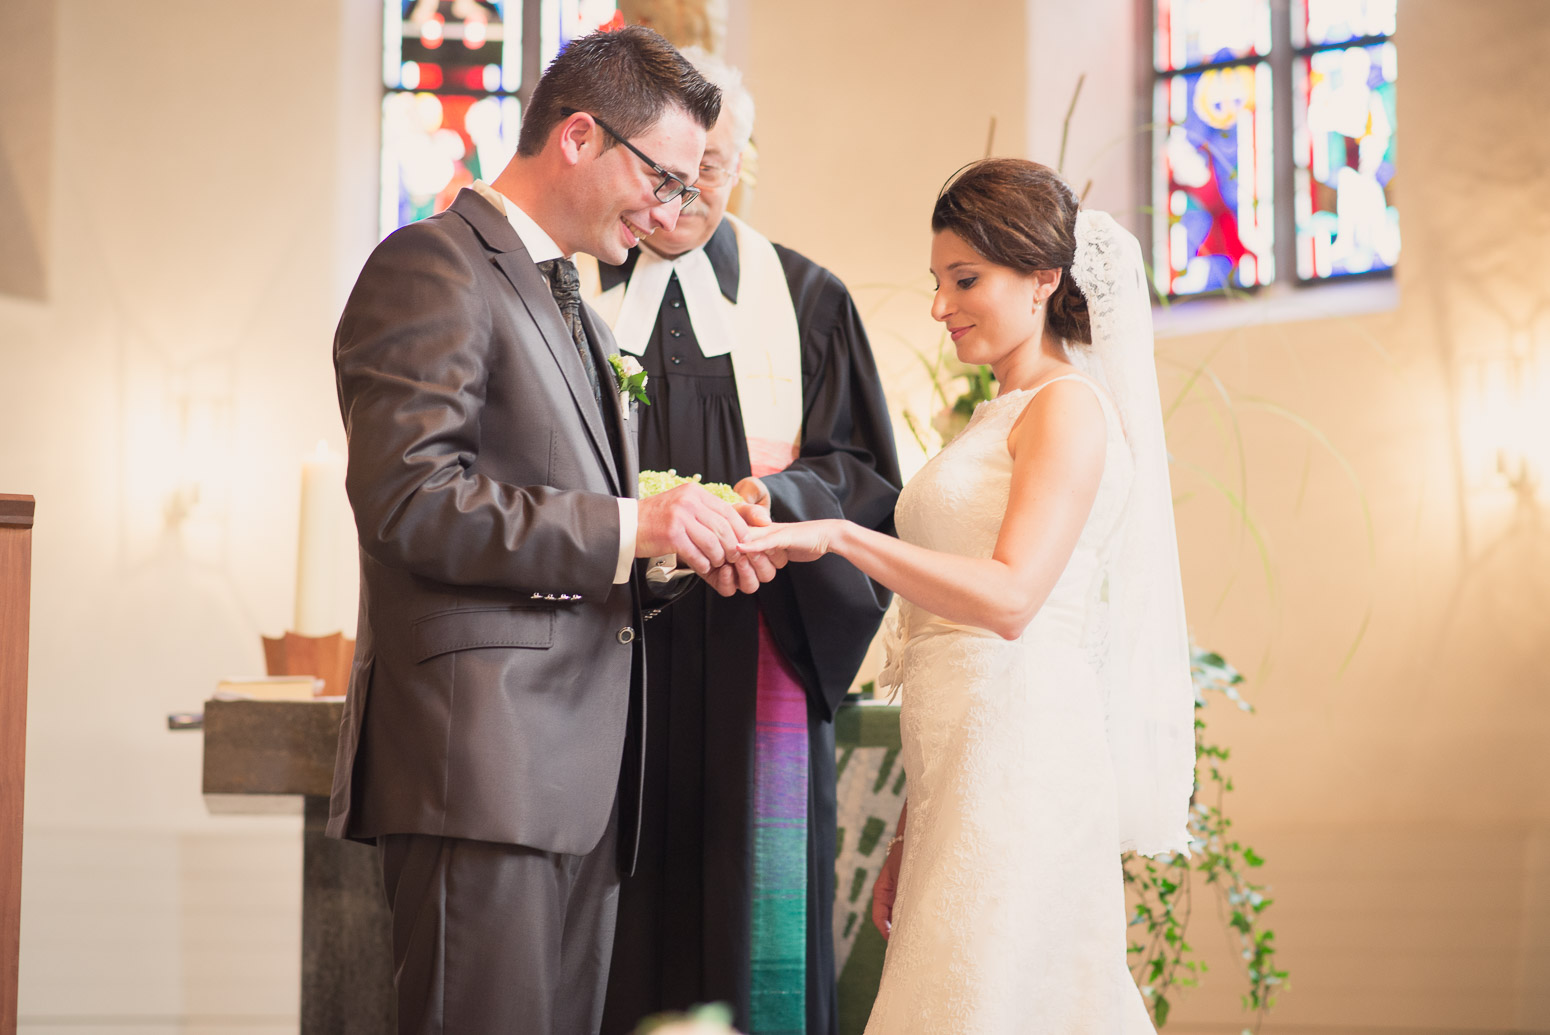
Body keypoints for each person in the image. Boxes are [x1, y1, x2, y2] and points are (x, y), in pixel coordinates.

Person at [325, 27, 785, 1035]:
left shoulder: (570, 299)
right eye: (660, 178)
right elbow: (412, 501)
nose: (670, 212)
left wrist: (676, 545)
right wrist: (633, 520)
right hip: (479, 774)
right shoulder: (433, 267)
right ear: (578, 136)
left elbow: (567, 513)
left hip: (571, 779)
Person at [739, 159, 1198, 1033]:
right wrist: (912, 827)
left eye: (966, 279)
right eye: (938, 282)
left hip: (1027, 757)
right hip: (963, 766)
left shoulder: (1067, 408)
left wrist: (835, 535)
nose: (943, 305)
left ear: (1043, 278)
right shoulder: (1000, 412)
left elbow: (1012, 598)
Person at [583, 50, 902, 1035]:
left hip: (752, 650)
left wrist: (776, 500)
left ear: (741, 161)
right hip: (598, 654)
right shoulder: (566, 296)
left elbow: (863, 478)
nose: (684, 195)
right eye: (666, 171)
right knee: (602, 931)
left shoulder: (805, 300)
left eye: (710, 167)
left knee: (749, 923)